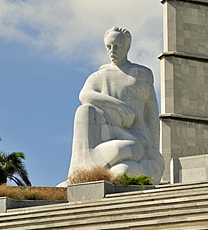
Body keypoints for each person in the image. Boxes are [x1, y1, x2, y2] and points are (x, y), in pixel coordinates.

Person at [62, 27, 164, 186]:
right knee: (84, 110)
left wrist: (154, 150)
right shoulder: (99, 75)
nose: (112, 51)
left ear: (127, 46)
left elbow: (152, 115)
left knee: (124, 162)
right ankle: (80, 175)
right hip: (109, 135)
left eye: (117, 46)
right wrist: (119, 106)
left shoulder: (143, 73)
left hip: (137, 138)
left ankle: (91, 172)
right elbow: (84, 95)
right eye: (108, 47)